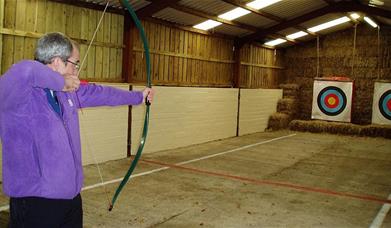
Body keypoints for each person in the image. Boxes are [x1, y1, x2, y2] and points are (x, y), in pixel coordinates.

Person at [0, 32, 154, 227]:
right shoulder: (19, 93)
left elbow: (102, 93)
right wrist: (60, 82)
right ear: (57, 61)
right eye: (75, 63)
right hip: (35, 200)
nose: (76, 71)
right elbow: (25, 70)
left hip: (70, 197)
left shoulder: (67, 93)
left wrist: (139, 96)